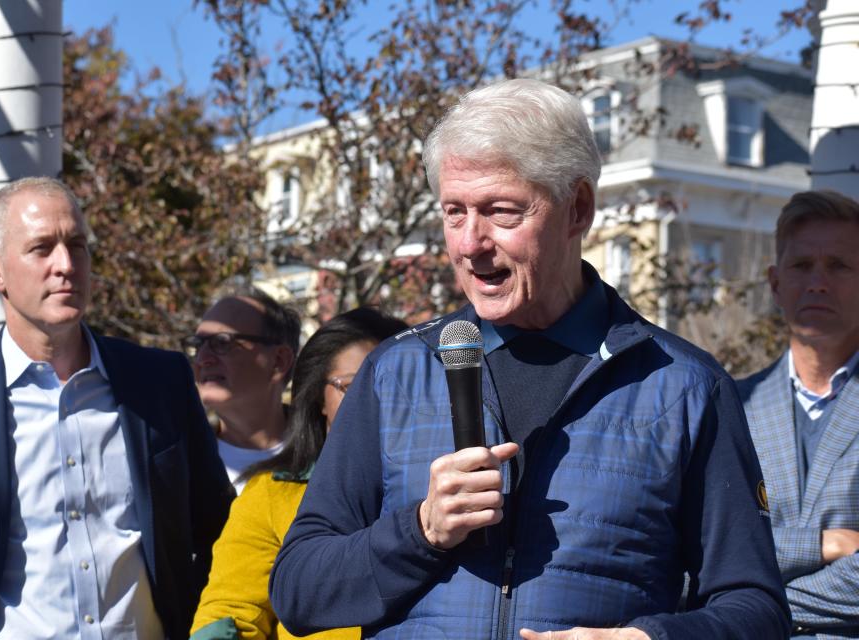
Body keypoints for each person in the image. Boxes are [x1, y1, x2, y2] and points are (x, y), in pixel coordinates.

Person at [269, 78, 789, 639]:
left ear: (578, 209)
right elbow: (299, 593)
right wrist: (421, 530)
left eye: (500, 211)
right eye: (453, 212)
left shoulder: (683, 386)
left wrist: (649, 639)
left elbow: (756, 609)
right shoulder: (395, 373)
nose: (470, 243)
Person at [0, 177, 234, 639]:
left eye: (78, 245)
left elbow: (219, 528)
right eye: (42, 248)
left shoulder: (159, 382)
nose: (65, 265)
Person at [189, 307, 408, 640]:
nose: (374, 400)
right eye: (352, 387)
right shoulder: (271, 494)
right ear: (319, 397)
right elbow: (230, 614)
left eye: (392, 384)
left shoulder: (450, 484)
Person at [737, 190, 859, 639]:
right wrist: (823, 545)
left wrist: (746, 612)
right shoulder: (729, 407)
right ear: (775, 284)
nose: (818, 282)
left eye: (839, 266)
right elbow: (699, 556)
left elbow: (732, 571)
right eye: (802, 266)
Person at [188, 287, 301, 493]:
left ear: (278, 360)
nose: (203, 360)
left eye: (222, 342)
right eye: (198, 346)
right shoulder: (181, 465)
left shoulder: (331, 453)